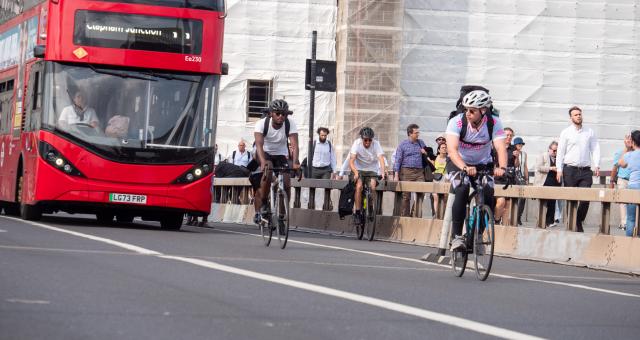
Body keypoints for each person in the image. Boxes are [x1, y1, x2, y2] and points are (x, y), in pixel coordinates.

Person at [446, 90, 507, 251]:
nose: (468, 113)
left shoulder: (493, 123)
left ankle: (478, 235)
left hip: (483, 164)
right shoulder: (457, 122)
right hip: (459, 162)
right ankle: (457, 237)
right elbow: (452, 150)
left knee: (488, 190)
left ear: (483, 111)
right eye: (466, 109)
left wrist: (502, 168)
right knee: (462, 187)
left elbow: (500, 147)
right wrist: (465, 167)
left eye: (472, 110)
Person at [254, 99, 300, 225]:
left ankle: (281, 215)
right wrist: (263, 161)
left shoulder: (290, 123)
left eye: (284, 114)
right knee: (268, 169)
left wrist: (295, 163)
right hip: (265, 152)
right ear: (271, 113)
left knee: (286, 182)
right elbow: (259, 145)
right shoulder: (261, 124)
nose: (281, 116)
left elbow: (295, 145)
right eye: (278, 113)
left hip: (280, 154)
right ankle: (263, 202)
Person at [556, 106, 600, 233]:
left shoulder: (589, 132)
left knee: (586, 197)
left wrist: (596, 164)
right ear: (571, 118)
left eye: (580, 114)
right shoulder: (566, 132)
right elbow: (560, 152)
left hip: (585, 170)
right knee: (571, 198)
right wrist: (559, 169)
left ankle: (578, 220)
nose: (578, 116)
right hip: (570, 170)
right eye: (575, 115)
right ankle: (573, 223)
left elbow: (595, 148)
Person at [349, 127, 387, 225]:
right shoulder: (356, 144)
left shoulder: (376, 144)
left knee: (373, 186)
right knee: (359, 186)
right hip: (358, 169)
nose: (368, 142)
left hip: (372, 169)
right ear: (362, 139)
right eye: (365, 140)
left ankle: (370, 206)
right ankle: (357, 213)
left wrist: (383, 171)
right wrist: (356, 173)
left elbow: (381, 159)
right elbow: (351, 161)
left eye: (370, 140)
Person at [393, 124, 428, 216]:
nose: (418, 134)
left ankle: (415, 214)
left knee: (421, 192)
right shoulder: (402, 145)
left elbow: (429, 155)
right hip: (406, 172)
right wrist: (396, 175)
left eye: (418, 132)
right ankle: (405, 216)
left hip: (419, 172)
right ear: (410, 134)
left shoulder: (421, 143)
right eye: (416, 133)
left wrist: (425, 152)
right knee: (406, 196)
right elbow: (398, 159)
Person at [617, 130, 640, 237]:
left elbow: (620, 163)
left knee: (631, 218)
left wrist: (627, 147)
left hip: (633, 187)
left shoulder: (630, 155)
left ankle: (629, 243)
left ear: (633, 142)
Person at [494, 127, 518, 224]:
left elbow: (516, 165)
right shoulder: (497, 146)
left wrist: (517, 157)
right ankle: (496, 220)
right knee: (501, 202)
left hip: (509, 178)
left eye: (510, 135)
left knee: (507, 204)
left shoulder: (513, 148)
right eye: (506, 135)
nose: (508, 137)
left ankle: (504, 228)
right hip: (498, 178)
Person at [534, 141, 561, 228]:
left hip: (555, 183)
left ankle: (550, 221)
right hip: (544, 182)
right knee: (543, 202)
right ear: (549, 149)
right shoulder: (542, 156)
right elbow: (538, 167)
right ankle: (540, 221)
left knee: (552, 203)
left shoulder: (559, 158)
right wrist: (550, 168)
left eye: (557, 150)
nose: (555, 152)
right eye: (554, 150)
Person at [611, 133, 633, 230]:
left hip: (633, 180)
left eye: (631, 140)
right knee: (622, 202)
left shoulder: (636, 152)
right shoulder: (620, 152)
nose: (629, 142)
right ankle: (624, 222)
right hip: (622, 179)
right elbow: (616, 166)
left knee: (631, 202)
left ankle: (630, 221)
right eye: (627, 140)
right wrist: (611, 181)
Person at [513, 137, 529, 225]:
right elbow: (515, 165)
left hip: (521, 176)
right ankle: (512, 216)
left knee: (523, 198)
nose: (520, 146)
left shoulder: (524, 154)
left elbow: (525, 166)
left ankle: (518, 216)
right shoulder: (512, 152)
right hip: (513, 176)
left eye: (521, 144)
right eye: (518, 144)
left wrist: (527, 179)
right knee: (514, 197)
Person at [431, 142, 448, 216]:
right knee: (435, 196)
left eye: (445, 147)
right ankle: (436, 213)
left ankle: (444, 214)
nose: (444, 149)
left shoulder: (449, 158)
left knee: (445, 197)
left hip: (445, 178)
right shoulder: (435, 158)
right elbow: (431, 168)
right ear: (439, 150)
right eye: (442, 148)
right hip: (436, 178)